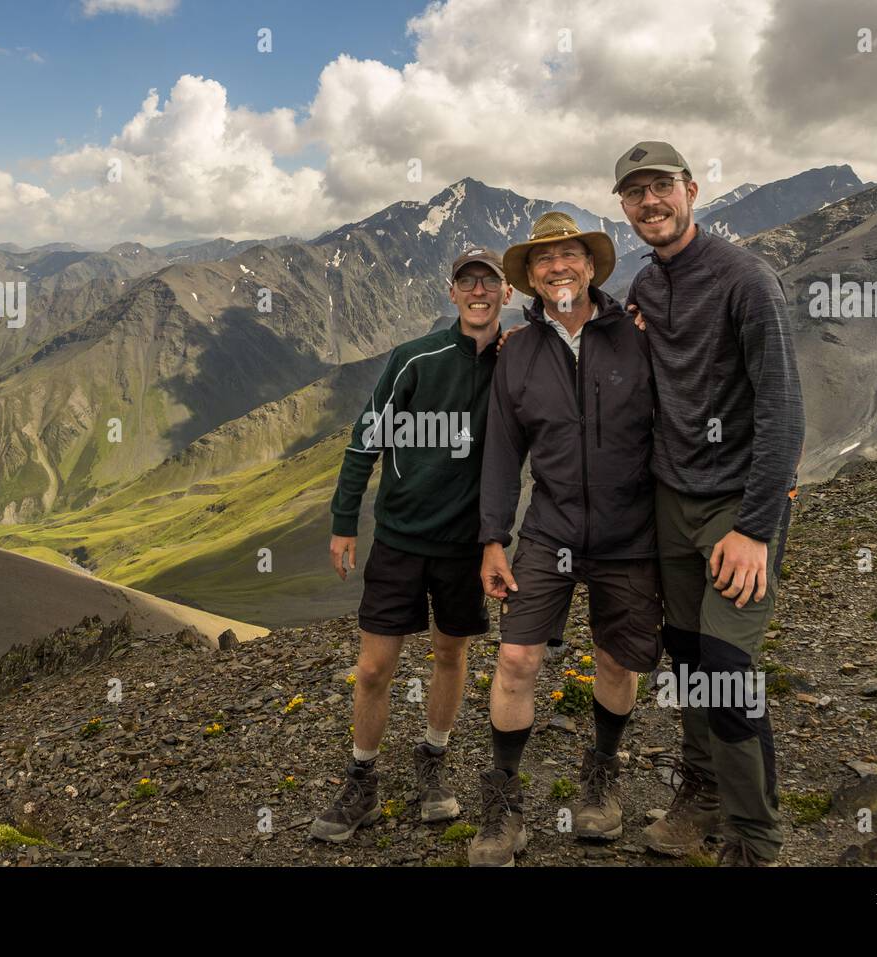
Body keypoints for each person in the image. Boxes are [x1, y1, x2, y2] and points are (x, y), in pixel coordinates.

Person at [615, 141, 804, 866]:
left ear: (691, 190)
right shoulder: (644, 286)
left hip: (738, 506)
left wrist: (756, 528)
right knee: (688, 656)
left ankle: (754, 840)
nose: (650, 202)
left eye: (661, 186)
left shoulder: (746, 279)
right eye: (635, 193)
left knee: (726, 665)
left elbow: (784, 409)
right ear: (625, 208)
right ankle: (699, 797)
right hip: (673, 499)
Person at [469, 212, 660, 866]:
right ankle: (503, 805)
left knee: (616, 660)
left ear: (591, 264)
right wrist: (493, 538)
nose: (557, 268)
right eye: (543, 260)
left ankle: (601, 776)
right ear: (531, 275)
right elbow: (501, 451)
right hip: (548, 529)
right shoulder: (517, 352)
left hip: (629, 528)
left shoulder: (637, 336)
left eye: (569, 254)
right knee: (517, 659)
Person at [311, 248, 511, 842]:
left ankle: (434, 759)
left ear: (508, 293)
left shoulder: (518, 360)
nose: (478, 291)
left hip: (465, 546)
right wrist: (344, 520)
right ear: (452, 293)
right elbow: (364, 439)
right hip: (398, 540)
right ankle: (362, 777)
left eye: (490, 282)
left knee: (450, 654)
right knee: (374, 668)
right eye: (467, 282)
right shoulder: (414, 358)